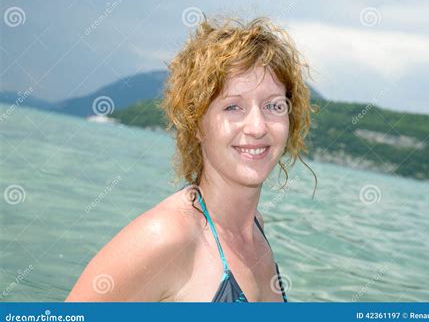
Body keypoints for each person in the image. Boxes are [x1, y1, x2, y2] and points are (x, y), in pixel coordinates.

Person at [66, 15, 316, 302]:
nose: (258, 127)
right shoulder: (166, 237)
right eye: (233, 106)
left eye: (274, 105)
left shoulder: (256, 230)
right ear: (197, 124)